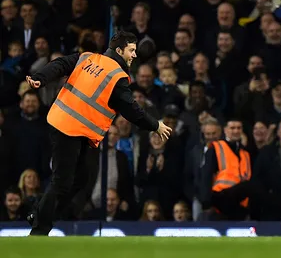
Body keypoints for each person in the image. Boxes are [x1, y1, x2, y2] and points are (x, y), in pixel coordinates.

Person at [25, 31, 172, 235]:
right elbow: (131, 110)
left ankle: (40, 214)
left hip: (67, 124)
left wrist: (41, 78)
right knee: (63, 181)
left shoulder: (86, 57)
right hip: (71, 128)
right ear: (119, 51)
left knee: (82, 177)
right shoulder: (118, 76)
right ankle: (39, 230)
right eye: (132, 50)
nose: (135, 55)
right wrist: (156, 125)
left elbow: (59, 64)